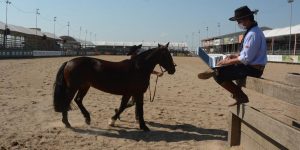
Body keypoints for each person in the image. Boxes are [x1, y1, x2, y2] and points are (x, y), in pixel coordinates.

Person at [198, 6, 267, 106]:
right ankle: (215, 69)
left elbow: (245, 58)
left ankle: (240, 96)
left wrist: (227, 62)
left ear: (246, 19)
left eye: (239, 21)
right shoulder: (254, 31)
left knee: (219, 75)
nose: (239, 24)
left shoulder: (253, 34)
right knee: (222, 68)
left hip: (253, 69)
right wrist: (233, 56)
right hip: (252, 67)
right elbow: (247, 54)